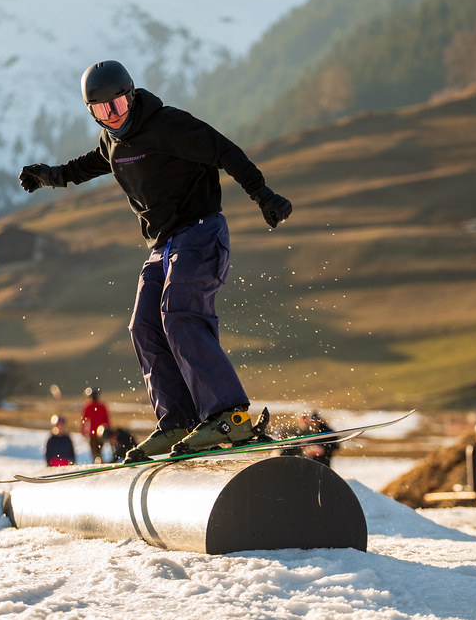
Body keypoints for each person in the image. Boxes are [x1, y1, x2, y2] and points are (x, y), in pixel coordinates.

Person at [19, 60, 291, 462]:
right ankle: (178, 420)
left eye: (118, 105)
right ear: (92, 113)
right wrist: (49, 176)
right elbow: (85, 166)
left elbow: (224, 150)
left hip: (200, 233)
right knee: (143, 325)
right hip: (162, 247)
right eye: (101, 110)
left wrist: (262, 194)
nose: (113, 116)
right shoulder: (111, 142)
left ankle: (229, 415)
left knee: (178, 313)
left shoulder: (167, 125)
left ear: (131, 96)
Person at [79, 387, 111, 463]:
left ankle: (98, 461)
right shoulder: (100, 406)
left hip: (95, 433)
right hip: (100, 433)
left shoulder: (89, 406)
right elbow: (107, 420)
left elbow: (83, 420)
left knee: (95, 451)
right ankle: (99, 461)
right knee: (98, 451)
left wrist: (83, 431)